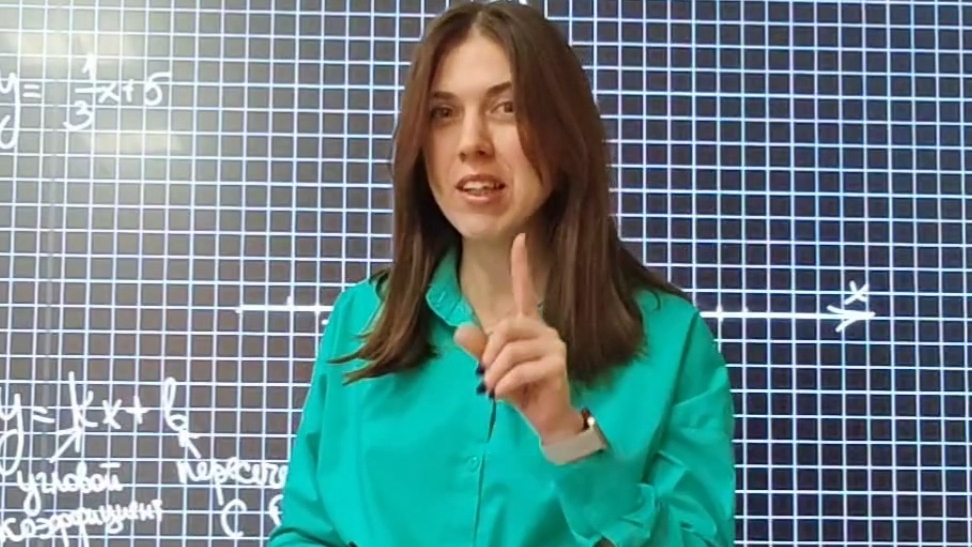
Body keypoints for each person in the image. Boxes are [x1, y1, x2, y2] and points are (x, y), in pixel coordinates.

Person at [267, 1, 737, 546]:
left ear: (564, 135)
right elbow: (307, 531)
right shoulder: (362, 319)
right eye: (443, 113)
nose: (472, 143)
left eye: (507, 108)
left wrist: (568, 437)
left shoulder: (671, 341)